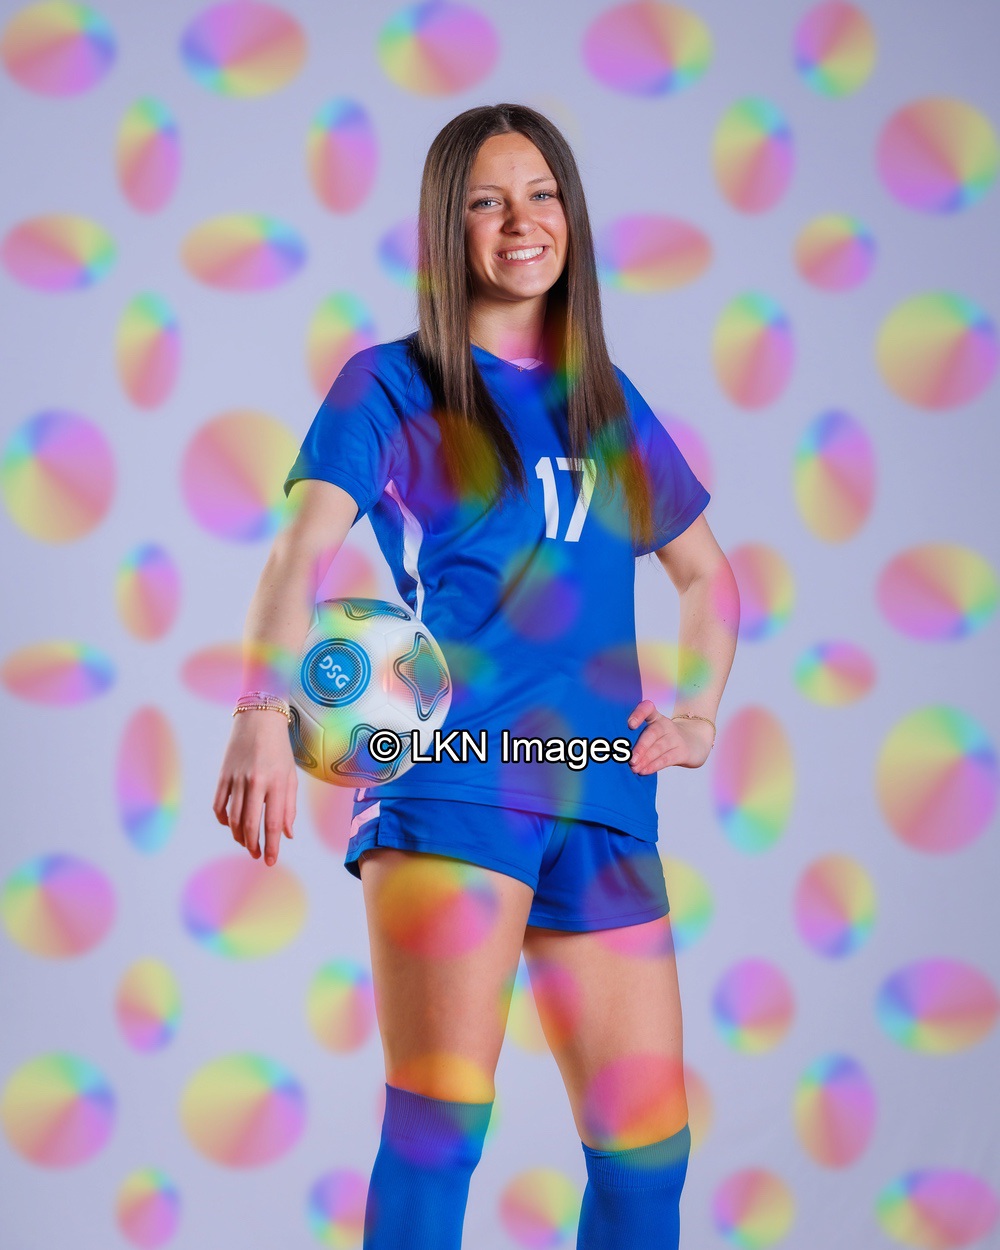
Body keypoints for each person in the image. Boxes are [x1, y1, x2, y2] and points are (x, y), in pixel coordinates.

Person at [213, 102, 738, 1250]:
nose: (520, 222)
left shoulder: (605, 398)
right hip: (455, 783)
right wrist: (259, 712)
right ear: (446, 226)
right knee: (439, 1130)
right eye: (487, 202)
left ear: (571, 217)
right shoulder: (390, 384)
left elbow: (706, 575)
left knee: (648, 1159)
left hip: (599, 792)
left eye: (541, 195)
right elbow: (299, 551)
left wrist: (696, 711)